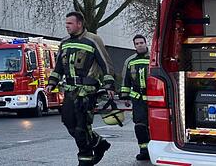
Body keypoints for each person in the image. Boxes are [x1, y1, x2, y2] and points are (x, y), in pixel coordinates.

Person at [47, 12, 117, 166]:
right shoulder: (64, 42)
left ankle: (85, 159)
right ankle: (99, 143)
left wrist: (109, 85)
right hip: (70, 91)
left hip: (88, 92)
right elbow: (59, 66)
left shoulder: (93, 40)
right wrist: (52, 82)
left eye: (70, 24)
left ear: (79, 24)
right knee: (68, 122)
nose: (67, 27)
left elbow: (106, 64)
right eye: (66, 24)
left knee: (81, 128)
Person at [121, 34, 151, 161]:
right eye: (136, 43)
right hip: (138, 98)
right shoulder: (130, 61)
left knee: (154, 125)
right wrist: (125, 97)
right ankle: (144, 150)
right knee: (139, 125)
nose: (139, 45)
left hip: (153, 97)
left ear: (146, 43)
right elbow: (126, 80)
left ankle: (154, 149)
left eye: (141, 43)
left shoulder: (153, 58)